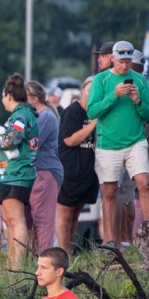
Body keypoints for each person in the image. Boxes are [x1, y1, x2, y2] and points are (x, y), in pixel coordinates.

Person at [86, 41, 149, 246]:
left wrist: (137, 101)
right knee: (110, 191)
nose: (125, 66)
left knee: (144, 183)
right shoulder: (101, 80)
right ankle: (110, 241)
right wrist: (114, 95)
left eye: (128, 62)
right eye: (121, 61)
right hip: (108, 143)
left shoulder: (140, 80)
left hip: (136, 141)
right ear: (113, 59)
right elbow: (92, 111)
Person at [0, 73, 39, 269]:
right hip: (10, 174)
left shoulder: (21, 115)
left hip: (16, 175)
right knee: (9, 220)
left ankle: (17, 266)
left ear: (9, 95)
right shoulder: (19, 115)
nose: (2, 100)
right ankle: (11, 262)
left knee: (17, 220)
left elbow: (10, 140)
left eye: (3, 96)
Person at [56, 76, 99, 255]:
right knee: (65, 214)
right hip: (70, 170)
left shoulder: (99, 111)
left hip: (89, 172)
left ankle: (70, 251)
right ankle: (62, 252)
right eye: (89, 90)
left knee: (75, 215)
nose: (92, 93)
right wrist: (93, 124)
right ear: (82, 91)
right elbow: (70, 140)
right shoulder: (73, 111)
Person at [27, 81, 64, 253]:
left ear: (33, 99)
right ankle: (35, 259)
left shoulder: (45, 117)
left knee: (43, 221)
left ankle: (44, 258)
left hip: (45, 171)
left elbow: (32, 144)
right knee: (33, 221)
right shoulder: (38, 116)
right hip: (38, 172)